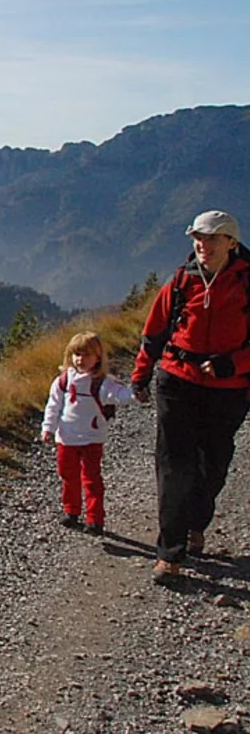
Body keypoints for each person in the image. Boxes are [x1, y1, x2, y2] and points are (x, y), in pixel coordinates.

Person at [131, 209, 250, 583]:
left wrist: (233, 364)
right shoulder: (182, 281)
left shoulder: (246, 282)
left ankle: (197, 520)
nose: (203, 245)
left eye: (212, 238)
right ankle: (170, 551)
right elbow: (154, 332)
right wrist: (141, 375)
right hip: (177, 380)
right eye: (198, 238)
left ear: (231, 242)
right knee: (173, 464)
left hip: (228, 390)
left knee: (213, 463)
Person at [41, 331, 134, 536]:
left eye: (87, 355)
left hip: (91, 439)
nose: (80, 359)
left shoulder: (103, 383)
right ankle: (71, 511)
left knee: (91, 479)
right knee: (67, 475)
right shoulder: (63, 381)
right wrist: (48, 428)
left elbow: (121, 395)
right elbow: (53, 406)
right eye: (77, 354)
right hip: (66, 438)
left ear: (98, 358)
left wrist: (138, 390)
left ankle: (94, 519)